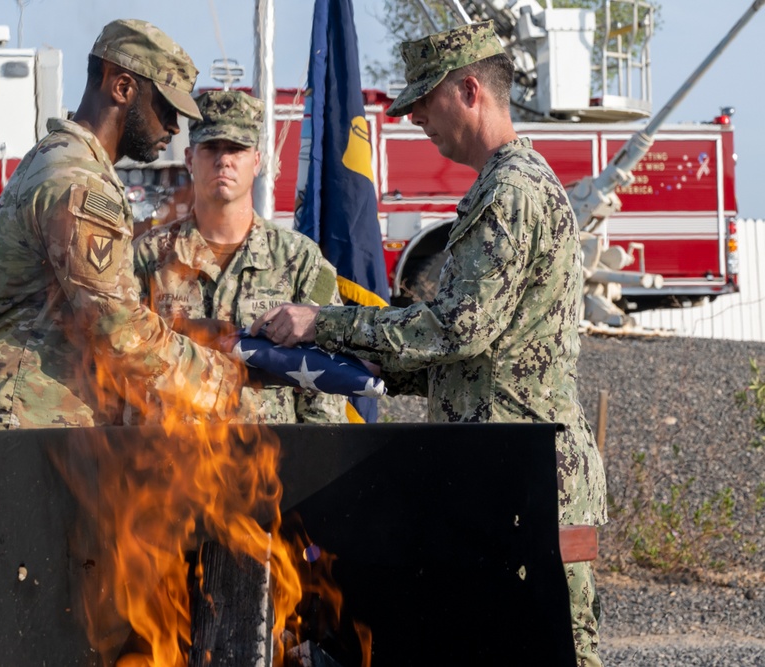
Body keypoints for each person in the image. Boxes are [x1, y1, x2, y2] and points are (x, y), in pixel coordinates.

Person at [0, 19, 244, 667]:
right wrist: (223, 380)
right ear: (120, 85)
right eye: (164, 108)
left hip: (27, 447)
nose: (176, 130)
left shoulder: (61, 165)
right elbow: (122, 336)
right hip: (1, 451)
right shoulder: (78, 185)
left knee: (27, 639)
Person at [251, 21, 607, 666]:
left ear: (469, 90)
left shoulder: (510, 191)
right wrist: (363, 364)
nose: (414, 117)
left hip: (523, 478)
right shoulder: (507, 184)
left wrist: (322, 324)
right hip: (501, 472)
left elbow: (457, 328)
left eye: (424, 101)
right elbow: (476, 356)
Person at [131, 90, 346, 425]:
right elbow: (118, 360)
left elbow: (325, 385)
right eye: (211, 149)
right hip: (171, 462)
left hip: (267, 462)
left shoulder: (300, 260)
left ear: (257, 160)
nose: (224, 160)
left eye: (236, 149)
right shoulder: (148, 256)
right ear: (189, 158)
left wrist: (312, 467)